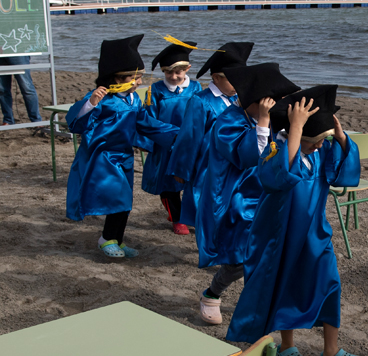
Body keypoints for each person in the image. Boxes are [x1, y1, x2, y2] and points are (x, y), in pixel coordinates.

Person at [226, 85, 365, 356]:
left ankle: (331, 350)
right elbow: (280, 177)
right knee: (286, 287)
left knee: (330, 284)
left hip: (315, 234)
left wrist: (339, 138)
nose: (318, 147)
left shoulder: (318, 151)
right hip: (282, 236)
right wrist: (296, 128)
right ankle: (287, 346)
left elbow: (342, 175)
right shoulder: (276, 151)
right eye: (313, 142)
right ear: (295, 135)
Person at [192, 63, 297, 325]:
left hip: (264, 195)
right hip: (235, 198)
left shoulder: (273, 122)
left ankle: (257, 302)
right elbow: (248, 156)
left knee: (265, 253)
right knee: (239, 257)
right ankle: (212, 294)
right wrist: (263, 122)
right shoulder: (228, 121)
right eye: (271, 105)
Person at [65, 35, 179, 258]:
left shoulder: (133, 99)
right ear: (117, 78)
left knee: (126, 200)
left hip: (124, 156)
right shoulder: (103, 99)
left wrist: (177, 135)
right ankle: (106, 239)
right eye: (133, 77)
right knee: (117, 197)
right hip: (103, 158)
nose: (138, 82)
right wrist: (91, 104)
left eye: (139, 77)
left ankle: (118, 239)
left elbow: (146, 123)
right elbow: (76, 124)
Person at [168, 42, 254, 238]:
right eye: (234, 81)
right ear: (216, 78)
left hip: (232, 164)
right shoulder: (201, 101)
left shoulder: (237, 100)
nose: (239, 85)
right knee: (206, 203)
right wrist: (181, 169)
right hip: (207, 164)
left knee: (231, 202)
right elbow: (189, 137)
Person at [140, 39, 200, 234]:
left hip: (190, 143)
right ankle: (177, 218)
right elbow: (149, 119)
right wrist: (149, 143)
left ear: (188, 68)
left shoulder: (196, 88)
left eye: (178, 72)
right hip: (165, 144)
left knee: (193, 180)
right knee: (168, 184)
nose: (173, 76)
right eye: (168, 72)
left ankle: (193, 214)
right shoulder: (155, 90)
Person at [0, 56, 41, 125]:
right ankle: (8, 120)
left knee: (26, 88)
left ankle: (36, 120)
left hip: (18, 53)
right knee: (2, 90)